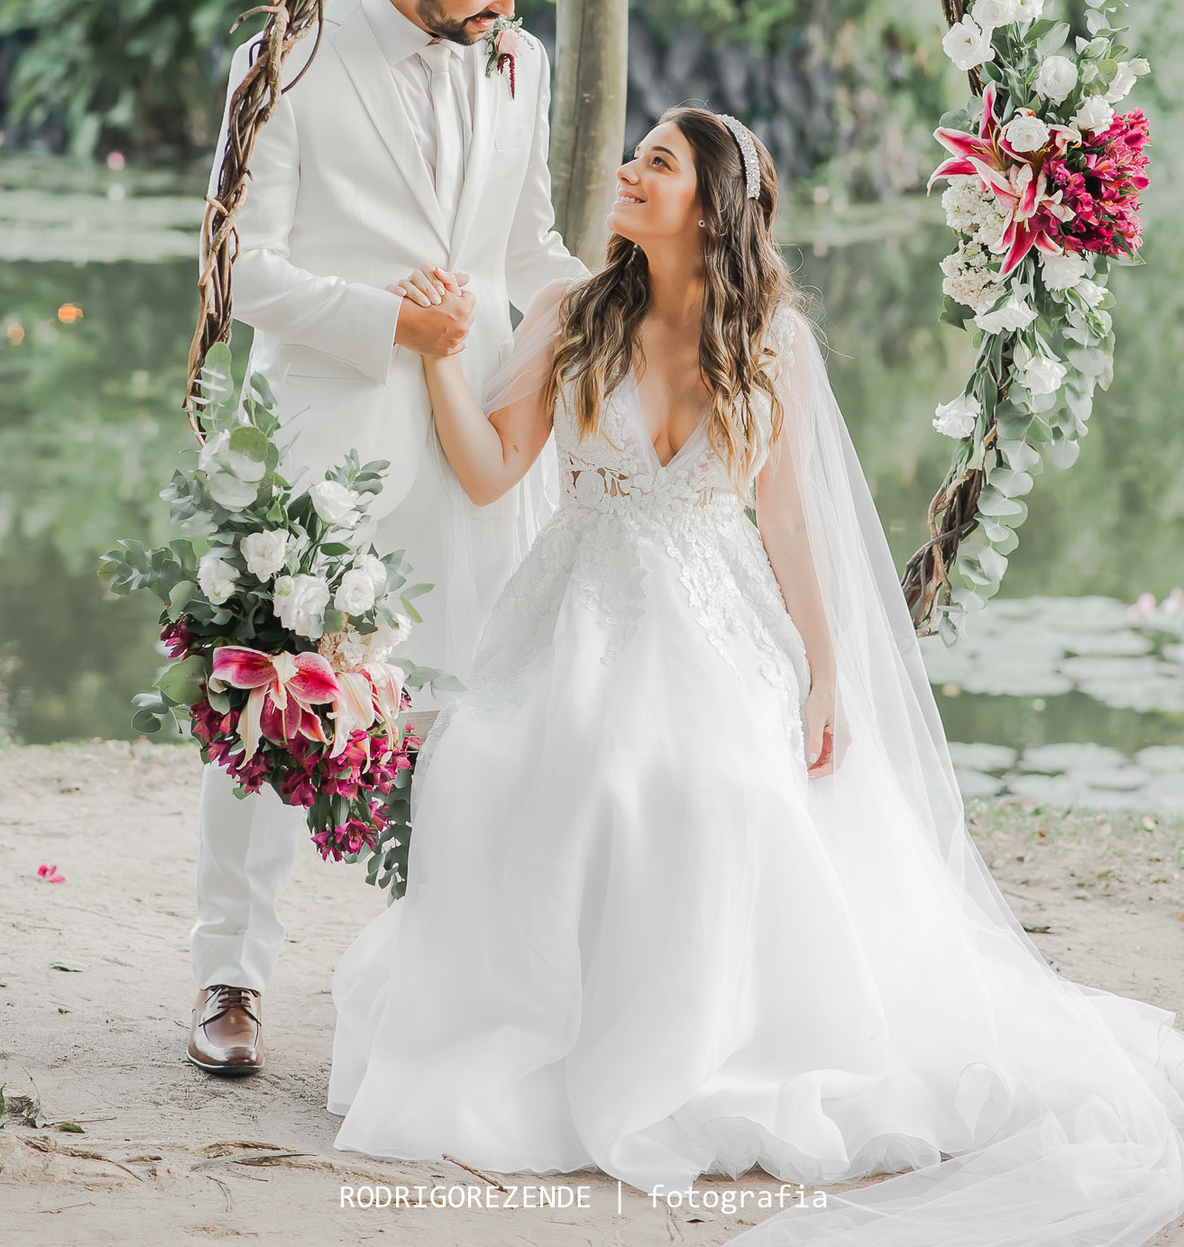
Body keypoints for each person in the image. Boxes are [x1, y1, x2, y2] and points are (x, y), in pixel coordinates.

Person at [327, 108, 1184, 1246]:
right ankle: (554, 1036)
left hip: (717, 614)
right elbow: (490, 476)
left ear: (712, 201)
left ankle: (716, 1042)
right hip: (573, 608)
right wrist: (440, 361)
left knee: (721, 781)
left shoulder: (769, 337)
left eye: (658, 163)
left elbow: (786, 522)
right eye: (633, 157)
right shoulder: (568, 315)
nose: (628, 173)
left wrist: (825, 672)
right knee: (528, 762)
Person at [187, 0, 587, 1076]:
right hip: (328, 430)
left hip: (481, 428)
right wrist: (387, 325)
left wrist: (634, 317)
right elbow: (238, 267)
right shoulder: (286, 64)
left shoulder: (523, 61)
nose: (503, 15)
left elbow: (528, 248)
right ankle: (230, 977)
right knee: (275, 701)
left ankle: (450, 974)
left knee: (474, 698)